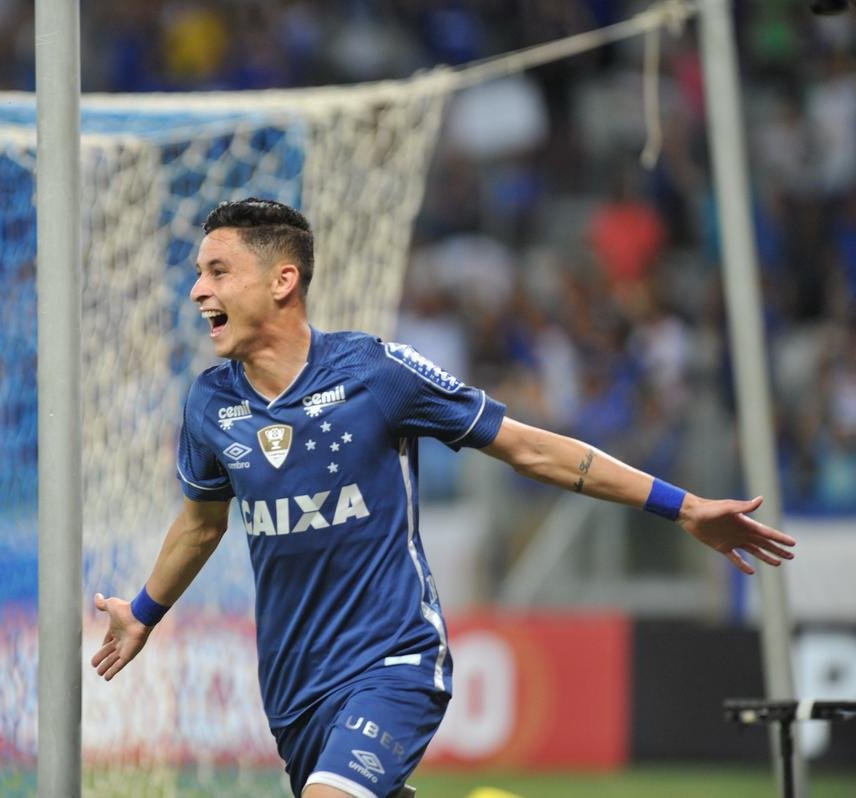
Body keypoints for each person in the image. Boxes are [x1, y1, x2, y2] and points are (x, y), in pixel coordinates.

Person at [91, 198, 796, 798]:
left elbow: (531, 447)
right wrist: (145, 612)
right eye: (197, 275)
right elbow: (202, 523)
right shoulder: (211, 404)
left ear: (283, 279)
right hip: (293, 685)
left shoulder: (378, 373)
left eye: (217, 272)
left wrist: (683, 506)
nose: (197, 291)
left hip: (393, 663)